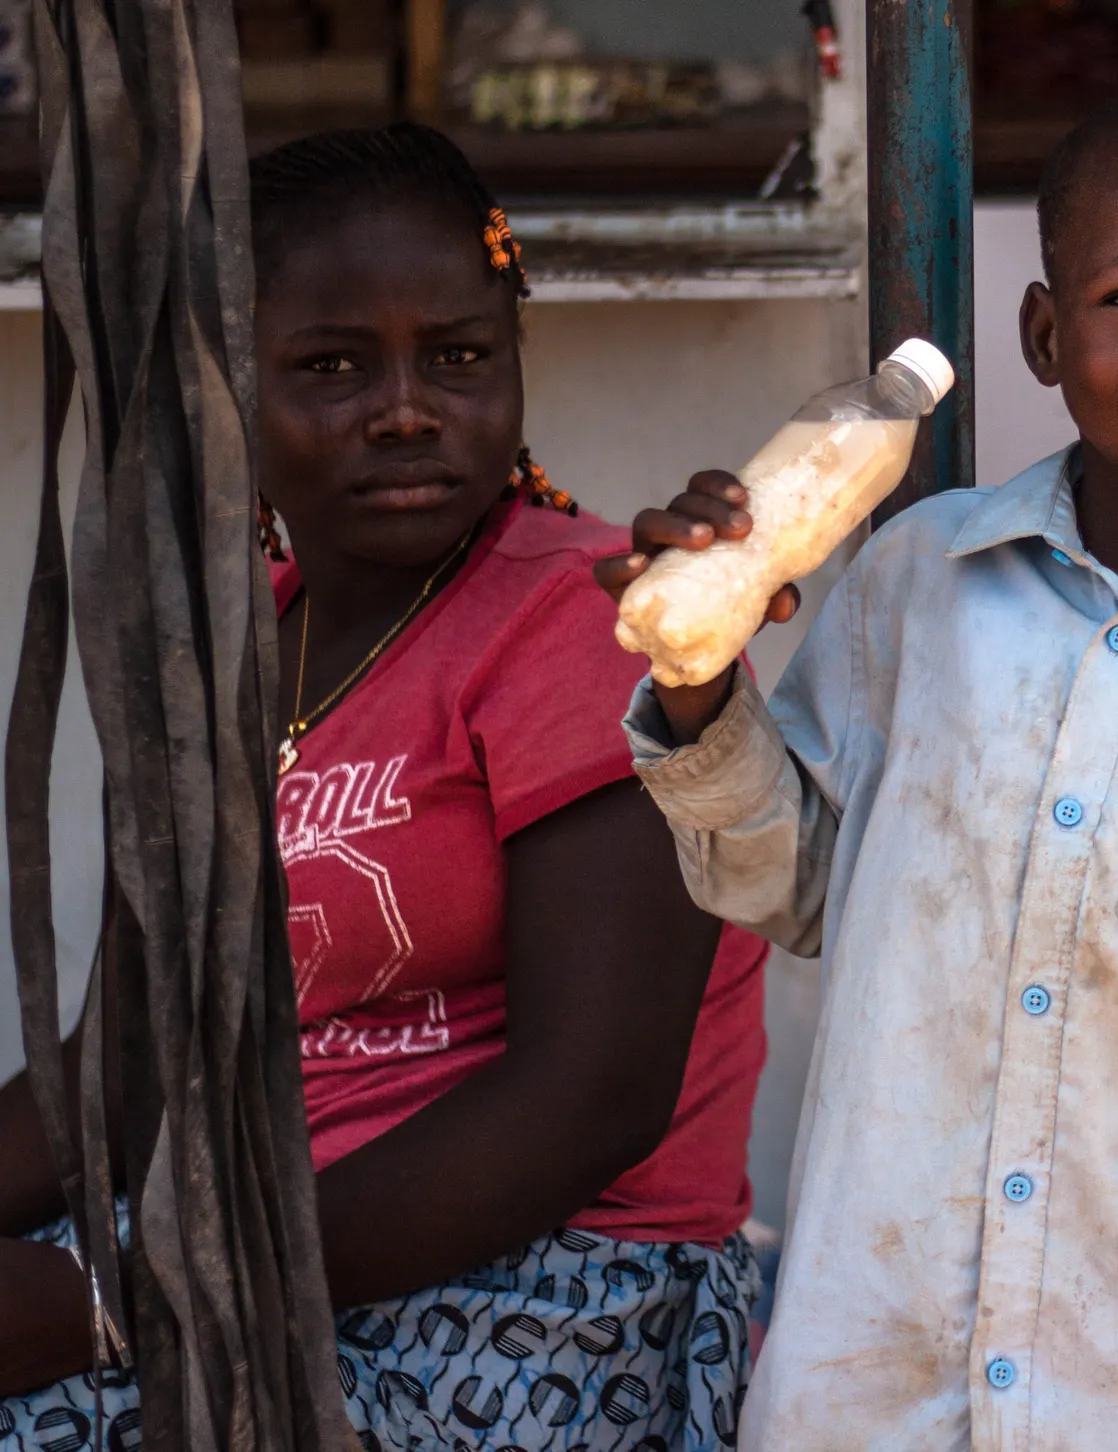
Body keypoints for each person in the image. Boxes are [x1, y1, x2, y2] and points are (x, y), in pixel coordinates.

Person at [597, 85, 1118, 1450]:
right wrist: (701, 678)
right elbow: (799, 884)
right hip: (885, 1362)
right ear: (1045, 336)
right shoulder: (912, 586)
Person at [0, 123, 768, 1451]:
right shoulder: (231, 663)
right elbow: (127, 1070)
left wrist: (117, 1304)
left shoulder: (589, 622)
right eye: (332, 366)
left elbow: (588, 1102)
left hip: (542, 1292)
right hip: (244, 1247)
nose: (406, 407)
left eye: (459, 356)